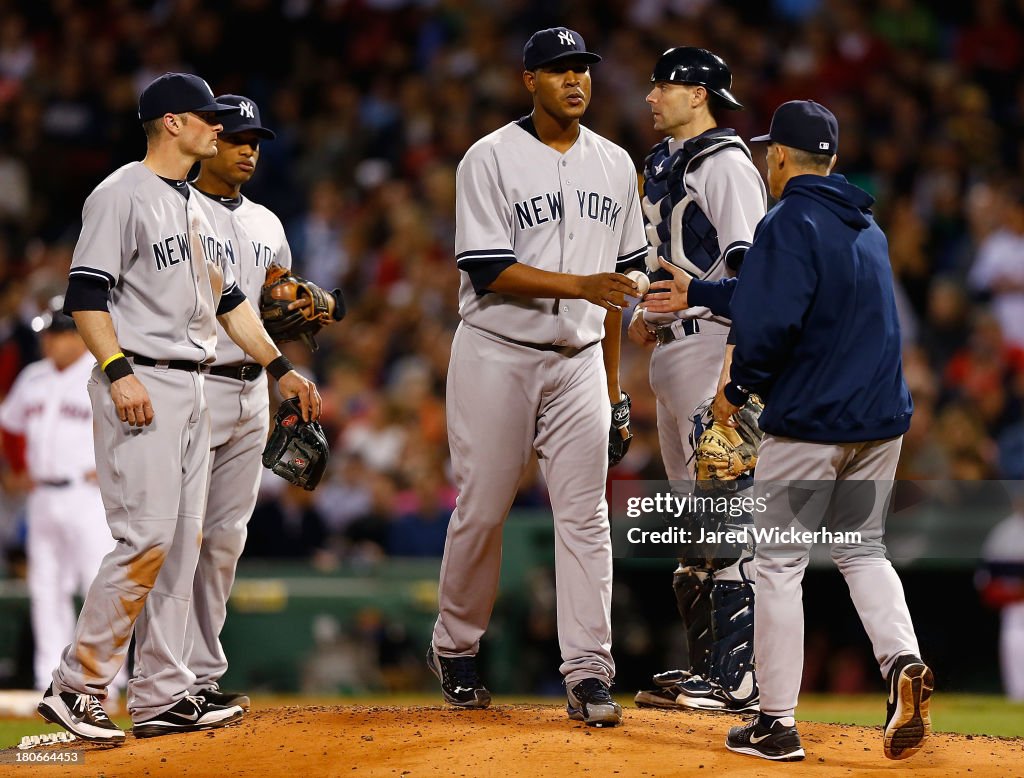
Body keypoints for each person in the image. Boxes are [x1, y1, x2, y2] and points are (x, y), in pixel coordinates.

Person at [36, 72, 321, 744]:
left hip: (196, 385)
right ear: (171, 122)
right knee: (148, 539)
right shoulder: (120, 193)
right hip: (144, 383)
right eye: (206, 119)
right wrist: (116, 370)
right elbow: (85, 294)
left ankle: (165, 694)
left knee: (184, 550)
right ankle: (75, 686)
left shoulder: (191, 206)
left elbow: (228, 302)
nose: (217, 130)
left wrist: (279, 366)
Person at [427, 27, 647, 728]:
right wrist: (579, 283)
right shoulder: (488, 158)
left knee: (585, 517)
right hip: (498, 351)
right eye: (557, 70)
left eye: (581, 68)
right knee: (484, 508)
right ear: (529, 80)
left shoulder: (616, 163)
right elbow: (487, 269)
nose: (574, 79)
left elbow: (615, 291)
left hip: (581, 361)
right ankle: (456, 647)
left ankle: (588, 672)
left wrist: (613, 389)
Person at [703, 100, 931, 761]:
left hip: (811, 425)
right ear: (828, 158)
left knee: (776, 566)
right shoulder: (865, 225)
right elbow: (790, 298)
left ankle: (775, 723)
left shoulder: (787, 219)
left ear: (777, 157)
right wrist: (701, 293)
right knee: (863, 551)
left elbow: (771, 323)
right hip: (879, 422)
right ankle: (902, 663)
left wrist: (739, 388)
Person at [184, 93, 345, 712]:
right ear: (208, 141)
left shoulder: (269, 224)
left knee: (225, 539)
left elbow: (277, 309)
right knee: (178, 540)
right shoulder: (179, 209)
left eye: (257, 141)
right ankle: (163, 679)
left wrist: (305, 320)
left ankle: (200, 676)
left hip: (254, 384)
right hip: (194, 380)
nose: (250, 149)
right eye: (238, 138)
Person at [626, 47, 766, 714]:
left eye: (665, 84)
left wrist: (732, 380)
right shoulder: (668, 162)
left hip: (716, 347)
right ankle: (708, 668)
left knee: (725, 507)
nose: (652, 95)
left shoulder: (726, 163)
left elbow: (755, 276)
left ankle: (740, 677)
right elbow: (668, 265)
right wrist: (646, 310)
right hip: (676, 350)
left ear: (700, 94)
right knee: (697, 519)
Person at [0, 299, 123, 697]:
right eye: (47, 334)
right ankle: (46, 681)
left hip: (89, 497)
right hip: (42, 496)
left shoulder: (104, 372)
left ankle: (107, 680)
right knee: (45, 587)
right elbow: (10, 424)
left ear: (77, 335)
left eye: (55, 334)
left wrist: (112, 466)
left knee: (98, 587)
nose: (48, 342)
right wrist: (16, 467)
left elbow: (132, 427)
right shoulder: (34, 377)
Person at [976, 489, 1024, 701]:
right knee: (1014, 637)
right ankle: (1018, 697)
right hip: (1016, 605)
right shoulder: (1004, 533)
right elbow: (986, 584)